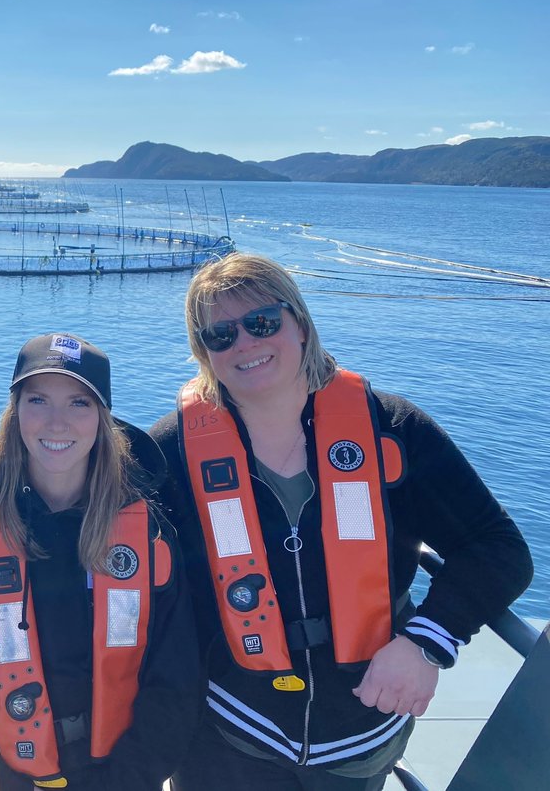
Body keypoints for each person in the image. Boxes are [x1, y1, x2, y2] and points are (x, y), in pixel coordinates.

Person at [149, 253, 533, 791]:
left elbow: (498, 548)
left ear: (299, 325)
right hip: (228, 731)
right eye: (220, 334)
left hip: (360, 733)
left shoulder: (394, 431)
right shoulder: (168, 454)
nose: (245, 344)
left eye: (262, 323)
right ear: (204, 352)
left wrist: (426, 642)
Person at [0, 332, 201, 790]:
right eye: (38, 400)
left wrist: (131, 777)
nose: (57, 423)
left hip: (118, 772)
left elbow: (175, 672)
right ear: (16, 410)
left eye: (79, 404)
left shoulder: (147, 529)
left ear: (104, 417)